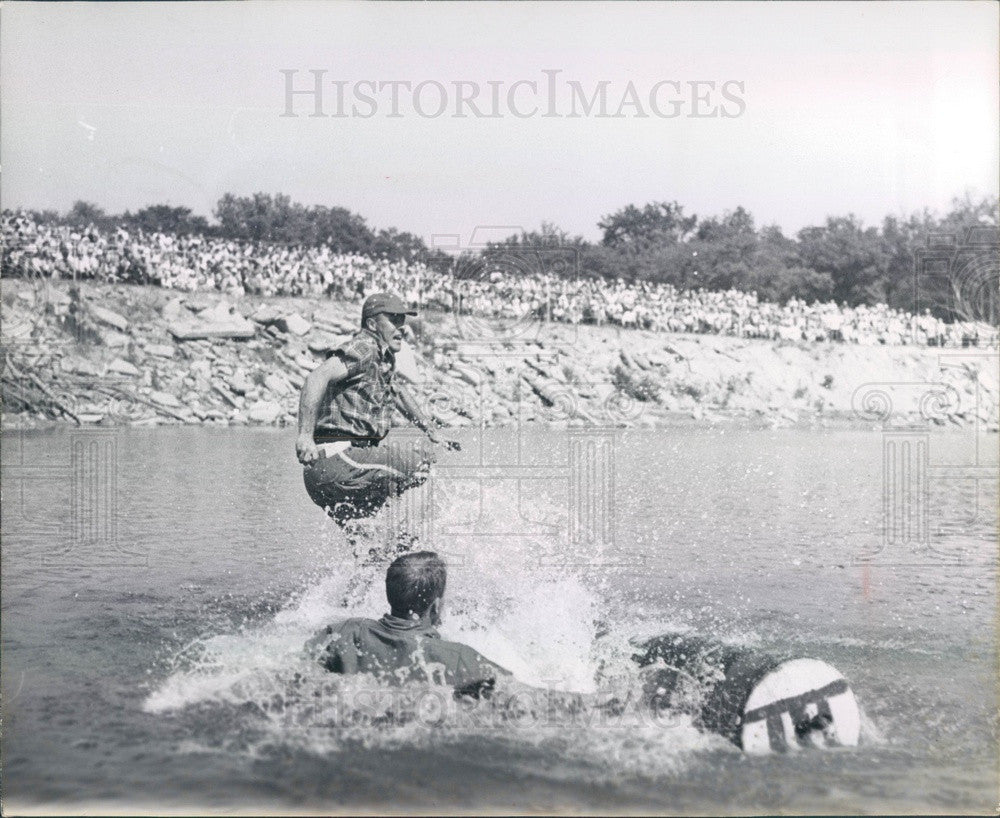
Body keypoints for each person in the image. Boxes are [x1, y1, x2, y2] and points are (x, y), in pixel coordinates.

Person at [295, 292, 459, 533]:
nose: (402, 328)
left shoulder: (382, 360)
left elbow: (398, 393)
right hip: (339, 459)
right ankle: (408, 542)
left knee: (370, 542)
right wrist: (304, 435)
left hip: (328, 473)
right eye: (394, 320)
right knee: (425, 465)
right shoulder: (364, 348)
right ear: (372, 324)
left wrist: (431, 431)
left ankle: (388, 556)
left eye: (402, 321)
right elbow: (317, 377)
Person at [306, 551, 511, 694]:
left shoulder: (340, 634)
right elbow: (519, 694)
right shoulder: (460, 659)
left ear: (390, 595)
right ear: (436, 606)